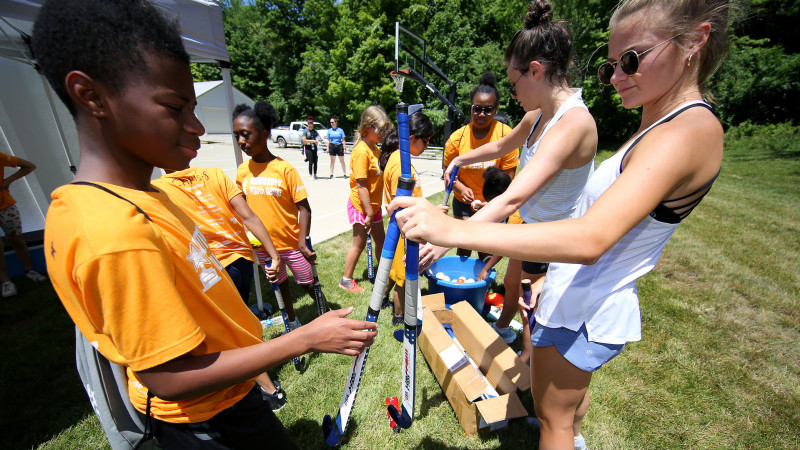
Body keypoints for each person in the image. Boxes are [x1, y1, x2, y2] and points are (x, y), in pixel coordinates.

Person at [35, 1, 376, 448]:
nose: (196, 127)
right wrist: (306, 338)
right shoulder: (113, 232)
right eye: (175, 108)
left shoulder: (146, 196)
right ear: (90, 95)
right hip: (204, 422)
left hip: (228, 397)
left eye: (194, 108)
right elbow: (170, 378)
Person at [390, 0, 729, 447]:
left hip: (590, 303)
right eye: (611, 65)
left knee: (554, 418)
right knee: (558, 412)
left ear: (696, 40)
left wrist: (452, 230)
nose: (615, 77)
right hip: (572, 288)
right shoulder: (660, 123)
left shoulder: (689, 130)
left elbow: (591, 237)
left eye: (631, 60)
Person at [428, 1, 598, 356]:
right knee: (511, 286)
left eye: (514, 83)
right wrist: (460, 157)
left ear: (534, 71)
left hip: (555, 244)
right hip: (530, 232)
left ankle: (529, 374)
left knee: (536, 318)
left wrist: (449, 235)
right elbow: (501, 145)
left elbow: (512, 198)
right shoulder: (538, 115)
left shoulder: (573, 124)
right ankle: (512, 344)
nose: (514, 93)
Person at [153, 167, 287, 410]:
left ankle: (270, 391)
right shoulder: (214, 174)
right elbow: (249, 216)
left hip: (211, 266)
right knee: (238, 324)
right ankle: (252, 382)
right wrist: (273, 255)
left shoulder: (159, 188)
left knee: (231, 333)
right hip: (241, 259)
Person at [234, 102, 325, 330]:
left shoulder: (284, 169)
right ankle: (292, 321)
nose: (241, 142)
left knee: (308, 283)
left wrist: (302, 241)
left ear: (264, 134)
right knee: (281, 284)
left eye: (246, 135)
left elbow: (305, 208)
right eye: (237, 136)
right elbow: (244, 210)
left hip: (291, 244)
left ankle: (329, 314)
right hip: (264, 247)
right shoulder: (242, 171)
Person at [443, 71, 517, 260]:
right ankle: (463, 286)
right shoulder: (457, 138)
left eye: (488, 109)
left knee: (485, 249)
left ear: (496, 108)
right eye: (477, 109)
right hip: (464, 203)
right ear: (471, 107)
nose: (481, 114)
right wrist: (460, 187)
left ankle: (483, 287)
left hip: (491, 203)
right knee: (464, 247)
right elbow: (448, 172)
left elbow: (508, 178)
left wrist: (489, 202)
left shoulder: (506, 136)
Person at [379, 113, 434, 325]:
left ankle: (382, 296)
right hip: (405, 231)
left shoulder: (402, 160)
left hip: (407, 227)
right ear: (411, 138)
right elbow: (400, 207)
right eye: (426, 141)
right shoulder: (399, 165)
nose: (427, 146)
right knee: (403, 277)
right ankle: (399, 317)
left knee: (395, 271)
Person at [339, 105, 392, 293]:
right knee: (359, 244)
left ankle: (384, 273)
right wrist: (368, 213)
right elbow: (361, 185)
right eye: (380, 129)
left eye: (385, 129)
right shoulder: (362, 151)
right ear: (367, 128)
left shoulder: (374, 149)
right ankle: (346, 280)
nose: (383, 133)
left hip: (373, 207)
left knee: (382, 240)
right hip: (361, 206)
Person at [0, 152, 47, 297]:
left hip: (6, 206)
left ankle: (29, 270)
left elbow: (29, 166)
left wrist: (8, 180)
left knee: (17, 240)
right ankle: (6, 282)